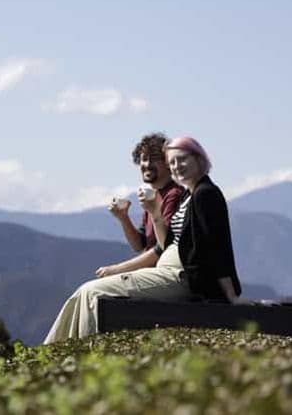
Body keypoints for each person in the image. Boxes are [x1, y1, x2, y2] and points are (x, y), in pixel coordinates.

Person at [43, 136, 244, 344]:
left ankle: (76, 356)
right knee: (84, 293)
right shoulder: (188, 196)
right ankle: (51, 351)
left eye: (182, 160)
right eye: (173, 161)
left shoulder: (204, 194)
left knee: (92, 292)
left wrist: (230, 295)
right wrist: (148, 213)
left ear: (199, 159)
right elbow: (161, 243)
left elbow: (217, 247)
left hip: (179, 276)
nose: (177, 166)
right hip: (167, 273)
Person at [96, 133, 184, 279]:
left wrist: (117, 269)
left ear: (168, 163)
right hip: (151, 273)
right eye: (144, 159)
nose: (147, 164)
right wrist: (123, 218)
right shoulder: (153, 196)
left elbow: (164, 247)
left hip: (163, 275)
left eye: (154, 159)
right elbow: (140, 244)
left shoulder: (173, 195)